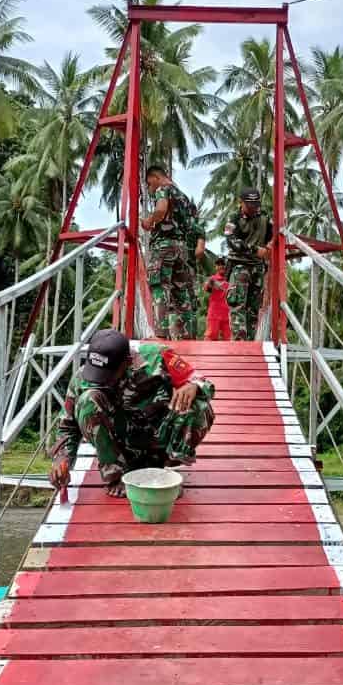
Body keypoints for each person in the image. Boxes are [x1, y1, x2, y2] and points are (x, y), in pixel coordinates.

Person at [49, 328, 216, 497]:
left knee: (199, 405)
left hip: (157, 438)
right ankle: (116, 475)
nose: (103, 380)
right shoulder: (83, 377)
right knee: (87, 400)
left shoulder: (157, 357)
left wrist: (192, 385)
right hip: (121, 443)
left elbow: (202, 381)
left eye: (109, 374)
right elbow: (67, 426)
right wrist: (61, 459)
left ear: (127, 362)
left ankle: (164, 469)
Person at [139, 164, 202, 340]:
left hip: (164, 246)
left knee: (159, 287)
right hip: (181, 248)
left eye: (150, 184)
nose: (151, 189)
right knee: (181, 293)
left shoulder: (163, 189)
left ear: (155, 177)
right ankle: (188, 335)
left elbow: (160, 209)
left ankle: (161, 334)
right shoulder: (183, 197)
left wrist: (149, 221)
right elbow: (191, 224)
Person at [225, 187, 274, 340]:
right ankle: (239, 343)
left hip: (257, 268)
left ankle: (251, 343)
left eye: (256, 204)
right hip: (240, 266)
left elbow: (274, 236)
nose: (253, 208)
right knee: (238, 305)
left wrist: (271, 244)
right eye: (250, 205)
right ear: (241, 203)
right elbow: (232, 241)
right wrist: (255, 250)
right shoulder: (233, 219)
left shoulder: (265, 218)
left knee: (253, 309)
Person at [203, 257, 231, 341]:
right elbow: (207, 287)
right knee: (210, 337)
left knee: (229, 339)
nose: (221, 266)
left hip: (228, 315)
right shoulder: (212, 279)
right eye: (218, 264)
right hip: (214, 313)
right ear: (215, 267)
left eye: (223, 264)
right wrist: (210, 283)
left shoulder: (231, 279)